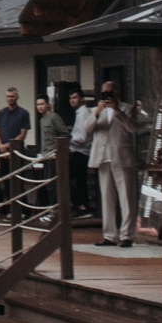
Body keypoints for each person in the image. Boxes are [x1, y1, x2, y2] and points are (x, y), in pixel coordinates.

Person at [90, 82, 135, 246]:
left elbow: (133, 128)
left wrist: (117, 110)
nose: (107, 95)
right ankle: (109, 235)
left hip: (121, 156)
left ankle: (126, 235)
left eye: (110, 92)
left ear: (117, 92)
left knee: (126, 197)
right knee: (107, 198)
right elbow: (86, 128)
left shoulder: (127, 108)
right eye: (104, 92)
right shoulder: (96, 109)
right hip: (103, 157)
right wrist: (97, 111)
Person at [67, 91, 97, 219]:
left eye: (75, 97)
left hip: (80, 151)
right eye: (70, 98)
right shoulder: (79, 113)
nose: (72, 100)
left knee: (72, 179)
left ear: (82, 99)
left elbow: (82, 137)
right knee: (78, 180)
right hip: (77, 151)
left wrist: (68, 137)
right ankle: (81, 205)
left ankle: (82, 205)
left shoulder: (83, 113)